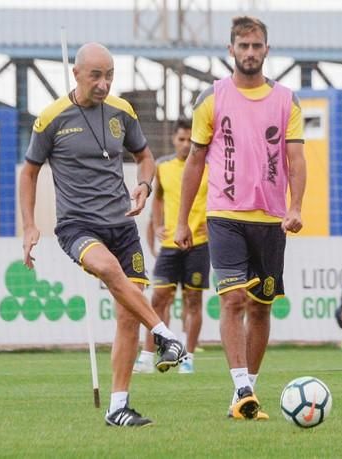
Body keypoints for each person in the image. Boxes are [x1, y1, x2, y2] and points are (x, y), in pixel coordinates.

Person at [19, 42, 187, 427]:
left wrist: (144, 184)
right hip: (78, 226)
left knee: (128, 315)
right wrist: (30, 224)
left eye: (109, 74)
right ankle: (163, 334)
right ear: (76, 74)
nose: (104, 83)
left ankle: (118, 407)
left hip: (123, 225)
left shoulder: (122, 112)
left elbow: (144, 156)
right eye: (96, 75)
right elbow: (29, 171)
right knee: (109, 269)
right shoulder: (51, 118)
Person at [174, 16, 306, 420]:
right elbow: (194, 162)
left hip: (271, 218)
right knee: (232, 300)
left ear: (267, 49)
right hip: (225, 215)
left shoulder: (286, 99)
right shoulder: (211, 99)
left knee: (261, 307)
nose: (250, 52)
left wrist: (296, 206)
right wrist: (181, 221)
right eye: (243, 46)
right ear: (230, 50)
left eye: (257, 46)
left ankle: (248, 389)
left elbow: (296, 158)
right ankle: (242, 388)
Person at [133, 118, 210, 374]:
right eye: (181, 139)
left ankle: (187, 356)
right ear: (174, 140)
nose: (186, 144)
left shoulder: (207, 167)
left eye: (190, 139)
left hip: (199, 244)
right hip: (170, 243)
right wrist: (156, 226)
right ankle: (147, 354)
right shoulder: (163, 167)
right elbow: (158, 199)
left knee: (193, 301)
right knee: (158, 298)